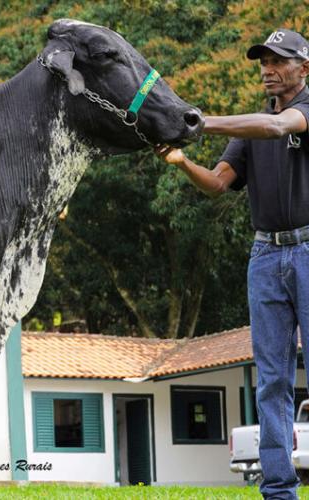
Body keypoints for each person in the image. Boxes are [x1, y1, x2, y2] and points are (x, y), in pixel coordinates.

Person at [156, 28, 309, 499]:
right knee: (271, 380)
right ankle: (279, 490)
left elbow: (280, 128)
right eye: (262, 61)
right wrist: (183, 162)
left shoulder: (297, 113)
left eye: (278, 60)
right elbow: (219, 183)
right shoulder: (253, 126)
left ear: (304, 67)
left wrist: (201, 122)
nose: (267, 68)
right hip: (265, 254)